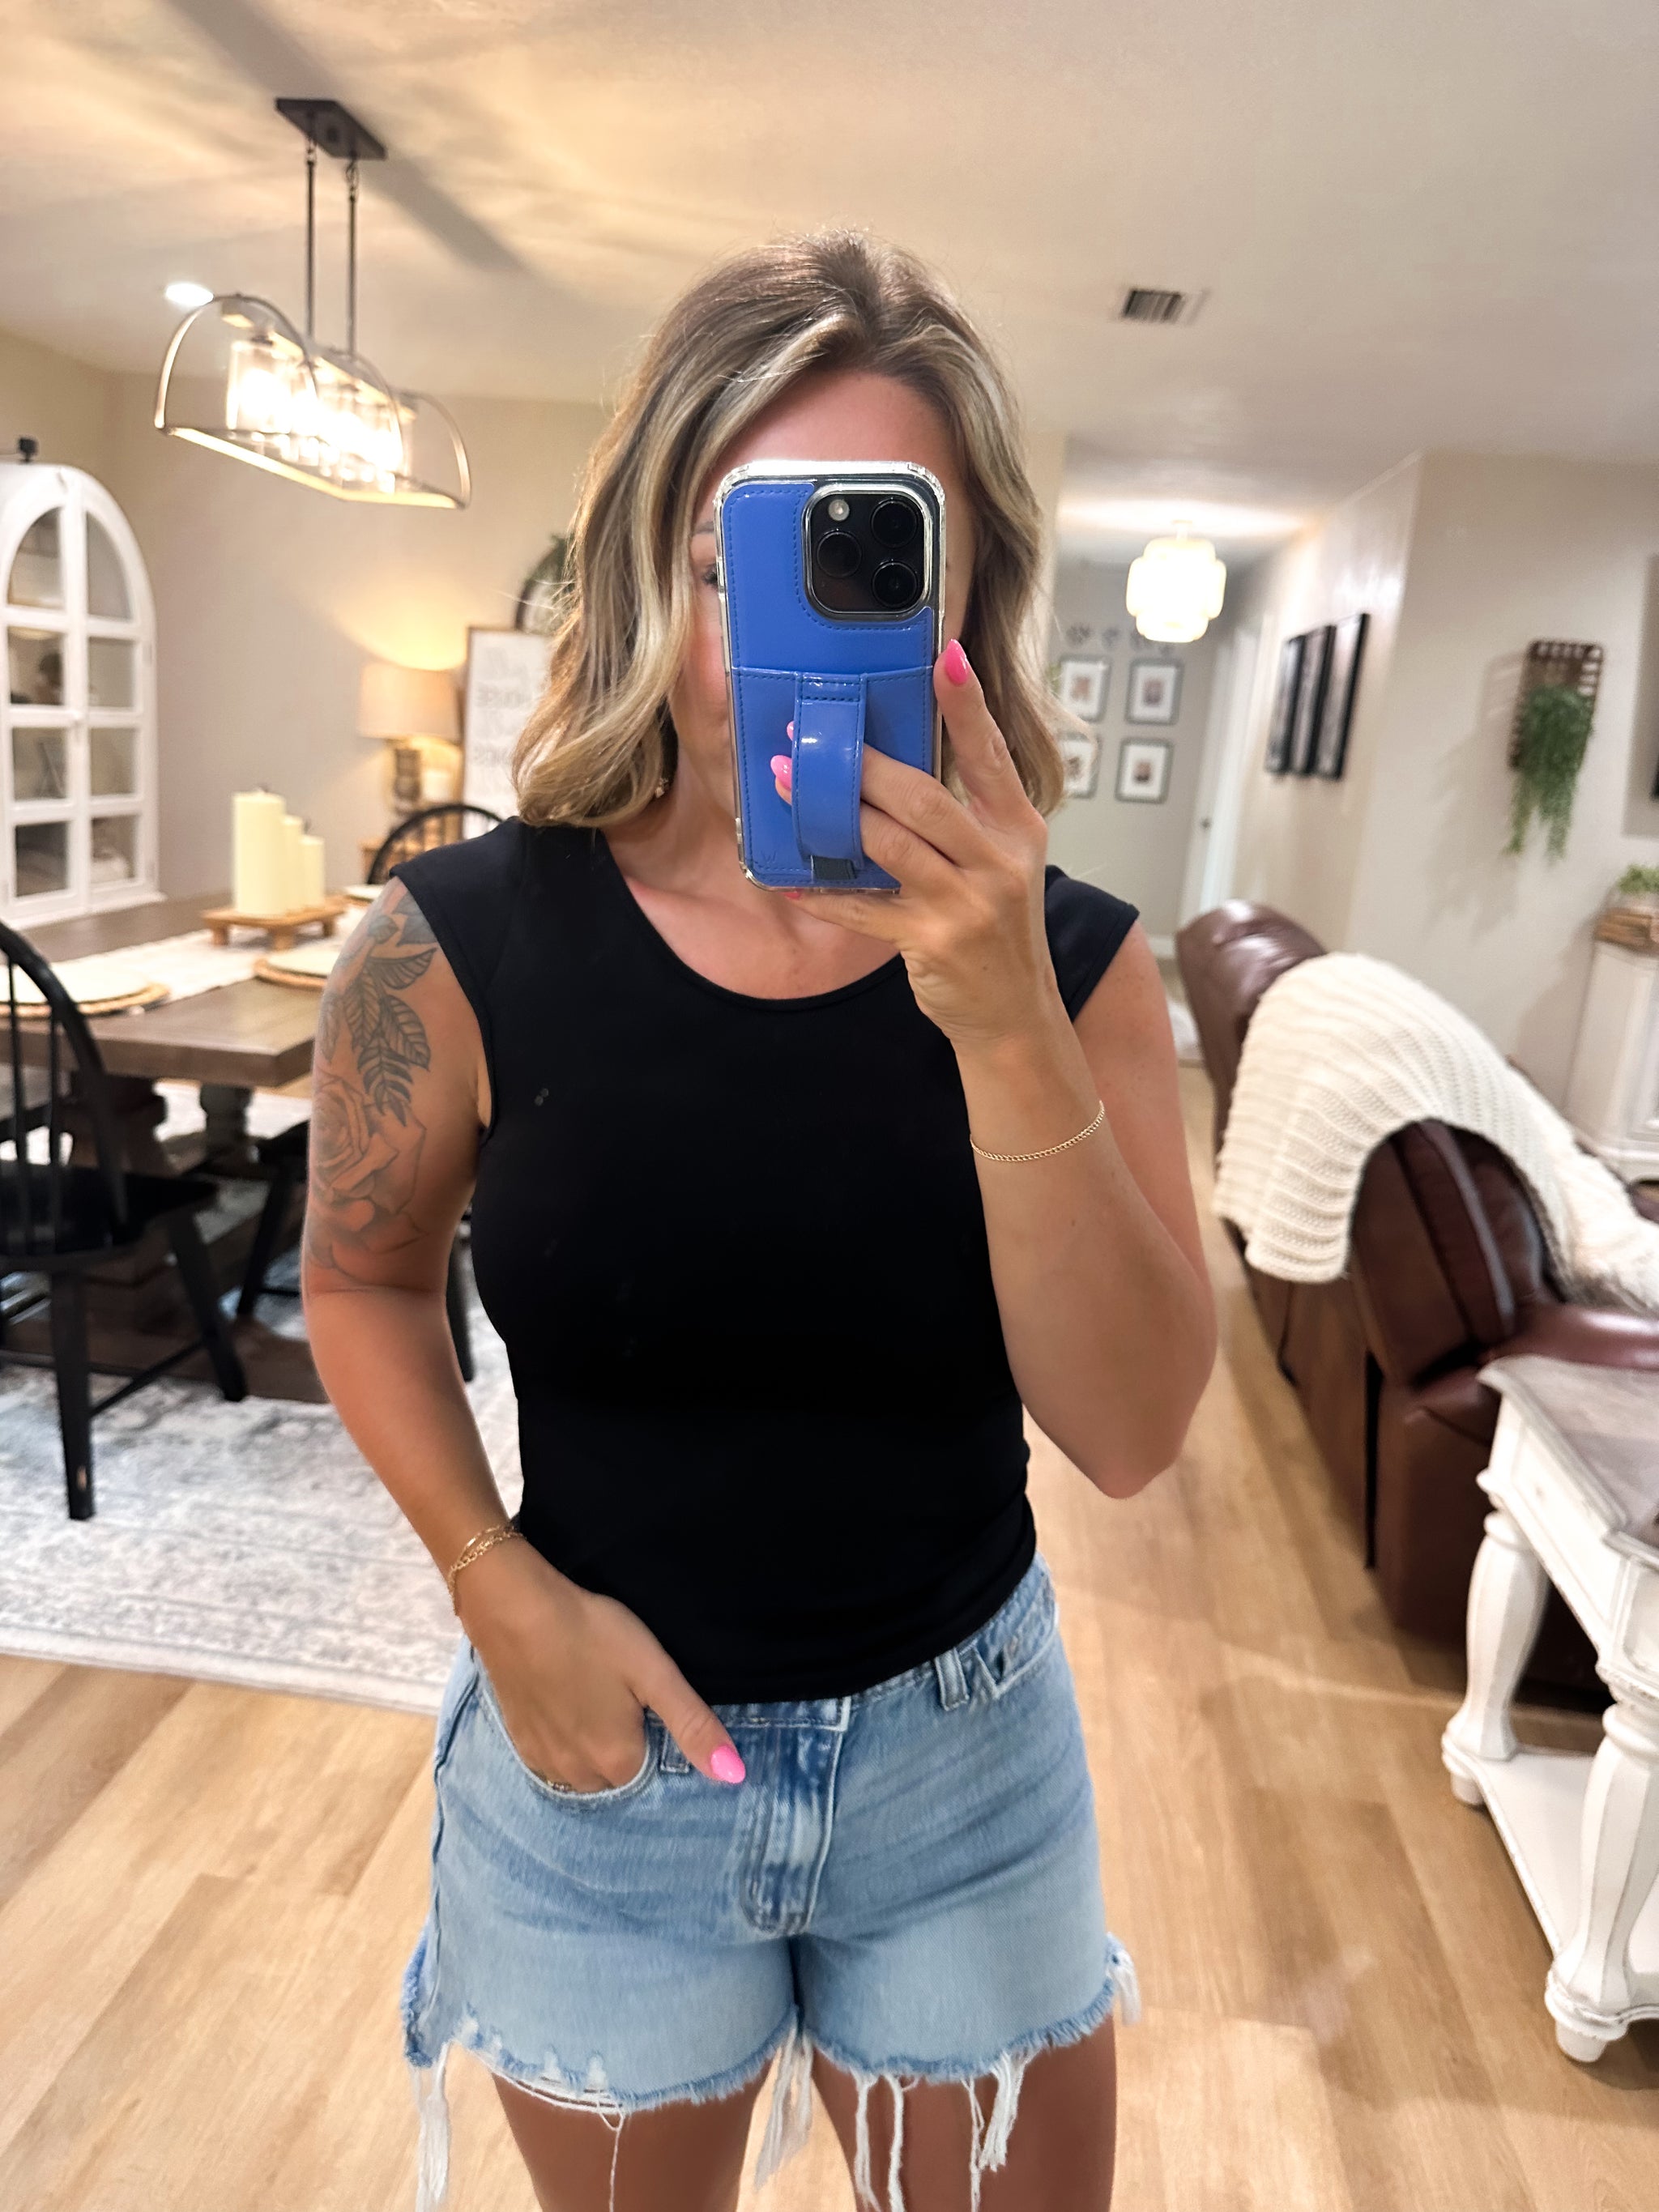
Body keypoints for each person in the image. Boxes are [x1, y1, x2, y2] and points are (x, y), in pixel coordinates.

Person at [304, 230, 1216, 2212]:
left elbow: (1134, 1431)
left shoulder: (1078, 971)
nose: (781, 636)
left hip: (966, 1768)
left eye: (873, 558)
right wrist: (490, 1582)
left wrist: (1002, 1028)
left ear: (964, 602)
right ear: (657, 567)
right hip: (596, 1764)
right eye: (741, 563)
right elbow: (360, 1280)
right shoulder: (453, 943)